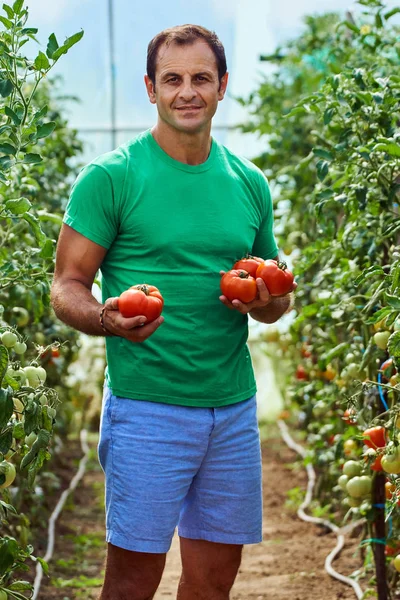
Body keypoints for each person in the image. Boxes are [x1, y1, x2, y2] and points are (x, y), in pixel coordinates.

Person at [51, 24, 295, 600]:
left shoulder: (248, 182)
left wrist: (266, 299)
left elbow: (276, 294)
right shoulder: (112, 177)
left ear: (222, 86)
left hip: (232, 410)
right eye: (173, 79)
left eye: (201, 79)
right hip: (147, 410)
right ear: (151, 88)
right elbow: (67, 284)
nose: (188, 91)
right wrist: (107, 320)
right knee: (133, 582)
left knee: (214, 581)